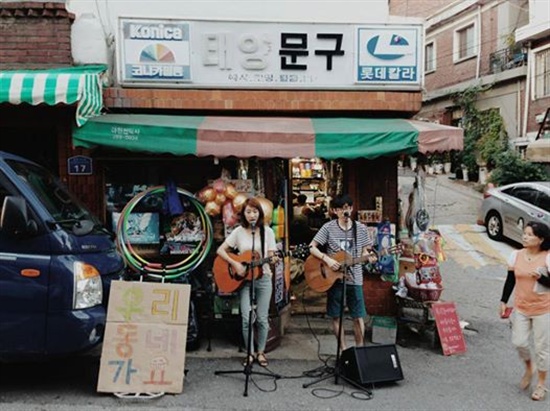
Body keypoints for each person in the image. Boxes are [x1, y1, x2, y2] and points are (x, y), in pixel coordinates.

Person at [309, 194, 376, 350]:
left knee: (357, 315)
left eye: (348, 208)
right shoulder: (328, 228)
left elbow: (365, 250)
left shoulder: (360, 228)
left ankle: (360, 349)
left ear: (351, 209)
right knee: (336, 315)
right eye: (341, 209)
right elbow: (312, 247)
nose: (345, 212)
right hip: (335, 278)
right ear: (334, 210)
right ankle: (343, 350)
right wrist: (328, 260)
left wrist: (369, 257)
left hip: (355, 278)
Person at [216, 197, 278, 368]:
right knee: (245, 318)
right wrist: (236, 263)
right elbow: (220, 250)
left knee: (263, 319)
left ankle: (261, 352)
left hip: (264, 278)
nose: (252, 215)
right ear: (243, 214)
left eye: (255, 211)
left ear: (260, 213)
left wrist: (273, 259)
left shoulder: (268, 232)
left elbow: (272, 255)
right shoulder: (238, 232)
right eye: (248, 211)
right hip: (244, 281)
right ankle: (249, 352)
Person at [500, 221, 550, 401]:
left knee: (542, 349)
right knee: (519, 342)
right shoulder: (516, 255)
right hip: (521, 307)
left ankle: (541, 385)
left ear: (541, 239)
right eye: (525, 233)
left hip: (543, 309)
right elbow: (510, 280)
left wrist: (543, 278)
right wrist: (503, 301)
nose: (525, 237)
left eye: (530, 235)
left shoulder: (548, 257)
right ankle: (530, 367)